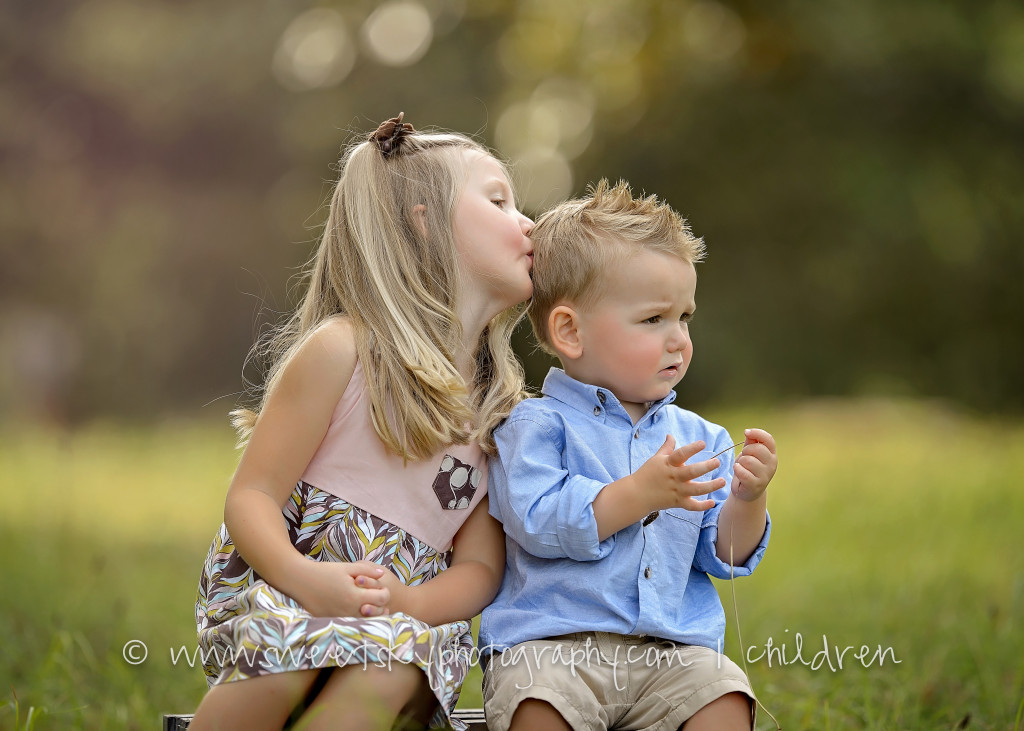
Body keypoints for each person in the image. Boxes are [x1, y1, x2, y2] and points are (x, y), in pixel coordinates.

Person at [190, 113, 535, 731]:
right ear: (425, 219)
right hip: (294, 586)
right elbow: (253, 494)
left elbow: (481, 568)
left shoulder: (500, 413)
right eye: (499, 201)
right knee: (284, 655)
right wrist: (304, 578)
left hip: (408, 625)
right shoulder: (343, 351)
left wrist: (409, 603)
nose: (527, 222)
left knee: (387, 671)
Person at [478, 179, 778, 731]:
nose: (678, 339)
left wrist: (747, 499)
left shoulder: (700, 437)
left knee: (724, 697)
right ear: (570, 331)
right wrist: (637, 494)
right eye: (653, 319)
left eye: (684, 317)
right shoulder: (535, 425)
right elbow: (537, 521)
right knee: (537, 705)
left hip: (669, 653)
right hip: (553, 646)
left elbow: (723, 554)